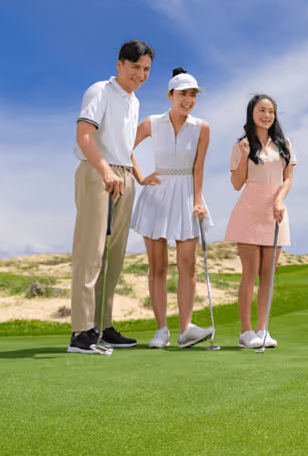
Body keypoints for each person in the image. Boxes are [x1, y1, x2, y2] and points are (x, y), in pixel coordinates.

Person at [68, 40, 154, 354]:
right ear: (120, 64)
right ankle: (81, 332)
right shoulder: (99, 91)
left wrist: (139, 177)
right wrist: (105, 171)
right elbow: (84, 136)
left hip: (124, 176)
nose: (141, 74)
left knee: (113, 258)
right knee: (91, 253)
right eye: (135, 67)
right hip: (97, 173)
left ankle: (102, 327)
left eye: (146, 69)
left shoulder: (134, 101)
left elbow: (126, 148)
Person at [130, 68, 215, 349]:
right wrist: (140, 177)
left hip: (187, 194)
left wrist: (198, 200)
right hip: (156, 194)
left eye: (193, 95)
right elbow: (124, 146)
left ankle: (186, 329)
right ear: (170, 95)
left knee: (188, 266)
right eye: (183, 94)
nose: (189, 100)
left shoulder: (202, 128)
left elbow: (199, 167)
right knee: (158, 266)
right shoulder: (152, 123)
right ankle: (161, 330)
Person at [224, 94, 296, 349]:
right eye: (262, 110)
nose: (267, 115)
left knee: (268, 276)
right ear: (252, 113)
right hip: (249, 212)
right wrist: (244, 156)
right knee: (250, 274)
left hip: (275, 213)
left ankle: (263, 330)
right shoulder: (241, 144)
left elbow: (288, 179)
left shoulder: (284, 144)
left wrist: (279, 201)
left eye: (271, 111)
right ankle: (246, 332)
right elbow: (236, 184)